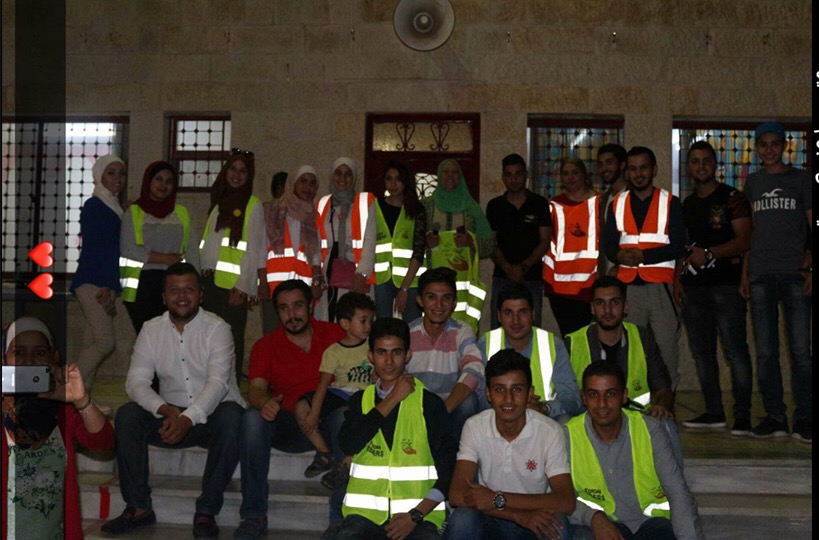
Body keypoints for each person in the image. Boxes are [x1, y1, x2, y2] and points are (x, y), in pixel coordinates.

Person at [102, 263, 245, 538]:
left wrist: (187, 418)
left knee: (232, 417)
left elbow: (217, 384)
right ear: (164, 297)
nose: (182, 296)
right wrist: (166, 410)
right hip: (171, 414)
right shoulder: (150, 329)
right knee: (128, 414)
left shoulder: (218, 329)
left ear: (201, 295)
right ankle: (139, 507)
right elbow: (136, 381)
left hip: (212, 416)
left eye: (189, 289)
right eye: (174, 290)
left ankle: (206, 511)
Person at [234, 280, 345, 539]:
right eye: (284, 308)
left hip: (330, 422)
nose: (292, 314)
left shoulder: (335, 335)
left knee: (345, 416)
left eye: (298, 306)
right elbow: (255, 389)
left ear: (311, 306)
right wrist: (265, 402)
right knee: (252, 419)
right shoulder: (266, 345)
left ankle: (341, 517)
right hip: (289, 425)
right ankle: (253, 514)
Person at [328, 318, 457, 540]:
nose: (388, 362)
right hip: (364, 520)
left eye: (396, 352)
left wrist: (414, 516)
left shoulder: (429, 404)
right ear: (370, 356)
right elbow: (348, 443)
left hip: (419, 519)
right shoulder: (360, 401)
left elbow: (448, 469)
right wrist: (393, 398)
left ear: (408, 355)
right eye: (381, 352)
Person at [2, 317, 114, 540]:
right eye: (19, 352)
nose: (29, 360)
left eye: (39, 352)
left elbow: (103, 441)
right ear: (5, 359)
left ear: (52, 358)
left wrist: (81, 400)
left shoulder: (62, 411)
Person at [446, 350, 575, 540]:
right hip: (492, 518)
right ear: (488, 394)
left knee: (557, 525)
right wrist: (516, 515)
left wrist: (497, 498)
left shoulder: (550, 431)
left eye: (517, 389)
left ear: (530, 393)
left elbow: (566, 501)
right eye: (499, 389)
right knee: (462, 519)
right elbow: (456, 494)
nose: (508, 398)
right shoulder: (475, 426)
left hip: (533, 519)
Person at [566, 362, 704, 540]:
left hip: (650, 525)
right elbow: (560, 497)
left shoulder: (650, 429)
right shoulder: (567, 435)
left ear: (624, 395)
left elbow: (677, 491)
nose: (602, 404)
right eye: (593, 395)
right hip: (602, 527)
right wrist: (593, 517)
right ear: (583, 398)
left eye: (611, 394)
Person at [740, 121, 812, 442]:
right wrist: (745, 272)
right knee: (766, 352)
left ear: (784, 146)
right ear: (756, 148)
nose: (769, 149)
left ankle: (805, 417)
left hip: (795, 274)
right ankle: (775, 416)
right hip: (761, 275)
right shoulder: (753, 183)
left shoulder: (801, 179)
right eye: (763, 144)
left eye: (774, 143)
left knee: (800, 351)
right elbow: (749, 232)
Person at [676, 141, 753, 435]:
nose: (701, 166)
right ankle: (714, 412)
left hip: (727, 287)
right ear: (689, 167)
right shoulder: (687, 204)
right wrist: (677, 280)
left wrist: (709, 254)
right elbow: (682, 248)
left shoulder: (733, 198)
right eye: (695, 161)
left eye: (706, 160)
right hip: (694, 289)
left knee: (735, 351)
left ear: (715, 164)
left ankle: (743, 417)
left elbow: (745, 240)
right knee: (702, 352)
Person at [564, 276, 682, 467]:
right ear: (592, 308)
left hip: (634, 418)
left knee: (666, 424)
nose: (607, 310)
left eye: (615, 302)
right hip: (590, 418)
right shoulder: (572, 342)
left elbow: (664, 389)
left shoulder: (642, 337)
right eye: (600, 303)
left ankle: (675, 483)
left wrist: (661, 406)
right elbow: (564, 397)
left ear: (625, 307)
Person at [603, 146, 686, 387]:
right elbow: (608, 245)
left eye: (644, 168)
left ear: (654, 170)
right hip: (628, 288)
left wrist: (644, 256)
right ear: (626, 172)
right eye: (633, 168)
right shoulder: (617, 204)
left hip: (661, 287)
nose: (638, 174)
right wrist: (618, 255)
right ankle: (632, 400)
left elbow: (679, 246)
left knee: (666, 347)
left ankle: (667, 400)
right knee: (630, 348)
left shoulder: (670, 202)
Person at [294, 292, 375, 488]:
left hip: (364, 396)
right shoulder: (333, 351)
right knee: (301, 407)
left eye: (370, 321)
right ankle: (324, 452)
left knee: (351, 415)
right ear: (345, 324)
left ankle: (346, 464)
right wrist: (314, 413)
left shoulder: (374, 346)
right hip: (340, 393)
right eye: (363, 321)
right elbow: (323, 385)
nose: (368, 326)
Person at [199, 149, 266, 382]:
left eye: (243, 171)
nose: (237, 175)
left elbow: (254, 249)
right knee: (209, 340)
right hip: (210, 282)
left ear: (249, 176)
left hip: (233, 288)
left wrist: (244, 286)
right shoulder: (218, 203)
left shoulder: (253, 205)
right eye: (233, 169)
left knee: (231, 340)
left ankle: (232, 389)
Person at [477, 283, 582, 422]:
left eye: (522, 312)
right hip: (500, 418)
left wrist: (544, 407)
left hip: (542, 419)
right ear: (499, 316)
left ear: (533, 314)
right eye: (508, 313)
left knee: (565, 420)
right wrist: (514, 406)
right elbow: (479, 397)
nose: (516, 320)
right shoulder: (485, 344)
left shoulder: (553, 344)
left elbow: (572, 398)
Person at [120, 161, 200, 334]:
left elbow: (192, 250)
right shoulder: (133, 212)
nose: (163, 185)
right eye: (158, 179)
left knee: (174, 335)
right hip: (142, 285)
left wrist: (197, 283)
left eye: (169, 181)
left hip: (175, 283)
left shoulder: (181, 213)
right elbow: (128, 249)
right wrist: (167, 259)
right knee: (149, 337)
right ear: (148, 181)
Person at [408, 267, 485, 442]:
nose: (439, 305)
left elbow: (474, 369)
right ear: (420, 300)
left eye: (446, 298)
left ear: (454, 303)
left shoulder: (462, 331)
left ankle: (458, 455)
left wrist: (442, 411)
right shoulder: (408, 333)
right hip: (416, 408)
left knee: (469, 402)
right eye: (431, 297)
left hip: (450, 406)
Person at [71, 154, 127, 390]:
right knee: (105, 342)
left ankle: (83, 400)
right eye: (111, 173)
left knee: (91, 342)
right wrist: (107, 283)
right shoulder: (95, 205)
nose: (118, 178)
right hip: (93, 280)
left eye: (121, 173)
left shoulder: (112, 205)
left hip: (101, 280)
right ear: (99, 176)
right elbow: (97, 248)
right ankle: (67, 386)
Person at [423, 159, 493, 332]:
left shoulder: (471, 207)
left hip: (462, 286)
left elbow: (489, 245)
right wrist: (426, 242)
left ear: (460, 177)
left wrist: (471, 242)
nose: (450, 176)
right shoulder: (425, 206)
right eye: (446, 172)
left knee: (462, 331)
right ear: (439, 176)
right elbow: (411, 242)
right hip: (430, 282)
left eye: (454, 172)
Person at [486, 153, 551, 329]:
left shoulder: (539, 204)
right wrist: (508, 268)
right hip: (502, 277)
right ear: (503, 177)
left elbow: (545, 241)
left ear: (526, 175)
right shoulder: (494, 206)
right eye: (509, 174)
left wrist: (523, 267)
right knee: (499, 330)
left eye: (518, 174)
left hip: (531, 278)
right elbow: (490, 242)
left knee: (531, 329)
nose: (514, 179)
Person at [359, 160, 427, 321]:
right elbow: (369, 242)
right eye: (389, 178)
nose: (393, 184)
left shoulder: (416, 209)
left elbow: (419, 252)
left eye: (398, 179)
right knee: (384, 326)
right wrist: (361, 273)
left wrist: (404, 289)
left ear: (406, 181)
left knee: (412, 327)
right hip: (383, 280)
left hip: (410, 281)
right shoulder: (376, 205)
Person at [543, 157, 600, 336]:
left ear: (584, 175)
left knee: (591, 338)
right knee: (570, 337)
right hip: (560, 287)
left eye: (575, 172)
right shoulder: (553, 206)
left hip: (592, 283)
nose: (570, 177)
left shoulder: (600, 203)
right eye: (565, 174)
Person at [315, 157, 376, 322]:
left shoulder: (365, 201)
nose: (342, 178)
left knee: (353, 319)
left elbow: (370, 240)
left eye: (348, 174)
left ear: (354, 177)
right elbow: (316, 242)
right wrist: (317, 274)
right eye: (338, 173)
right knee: (327, 318)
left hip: (355, 270)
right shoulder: (322, 203)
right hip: (328, 269)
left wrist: (362, 273)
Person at [259, 165, 323, 314]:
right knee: (273, 329)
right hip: (274, 289)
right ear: (293, 183)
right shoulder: (272, 211)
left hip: (303, 292)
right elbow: (261, 250)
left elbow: (316, 253)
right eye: (303, 181)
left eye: (312, 183)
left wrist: (316, 281)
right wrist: (262, 282)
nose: (308, 187)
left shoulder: (314, 216)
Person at [260, 170, 288, 334]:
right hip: (271, 284)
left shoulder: (301, 212)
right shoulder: (265, 212)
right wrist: (262, 282)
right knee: (272, 332)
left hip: (294, 283)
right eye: (282, 188)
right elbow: (259, 250)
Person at [596, 144, 628, 276]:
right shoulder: (602, 200)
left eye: (609, 162)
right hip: (606, 274)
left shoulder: (634, 196)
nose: (604, 168)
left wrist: (619, 266)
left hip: (629, 273)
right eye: (601, 164)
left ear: (622, 165)